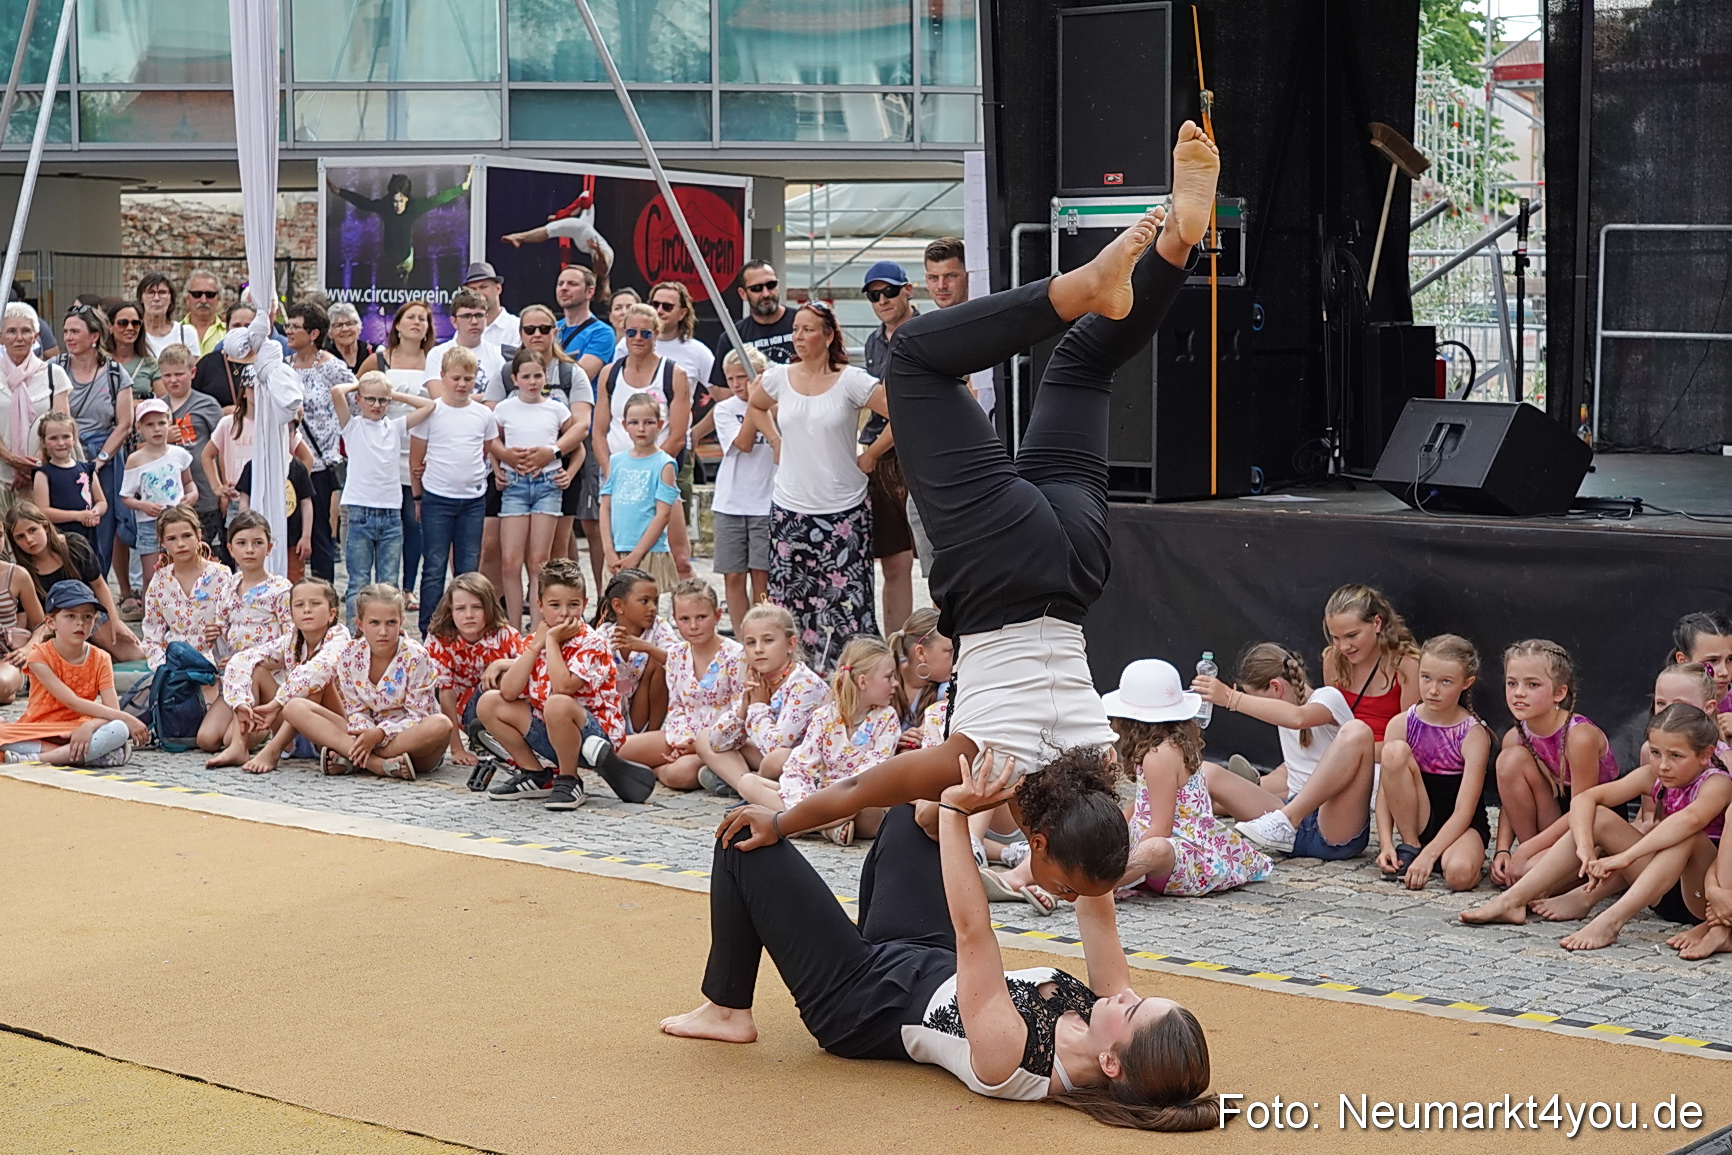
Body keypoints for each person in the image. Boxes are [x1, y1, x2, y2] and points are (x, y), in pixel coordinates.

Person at [715, 121, 1221, 901]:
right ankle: (1079, 287)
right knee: (915, 358)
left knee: (1083, 368)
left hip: (1079, 564)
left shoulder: (1098, 759)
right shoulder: (986, 761)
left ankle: (1180, 243)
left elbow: (1099, 862)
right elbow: (861, 792)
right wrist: (781, 824)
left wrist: (1030, 868)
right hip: (1000, 571)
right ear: (1038, 834)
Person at [661, 758, 1220, 1132]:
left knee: (746, 839)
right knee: (912, 810)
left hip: (860, 1000)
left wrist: (957, 814)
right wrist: (1096, 834)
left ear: (1110, 1064)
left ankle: (727, 1008)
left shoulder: (1013, 1057)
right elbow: (1095, 904)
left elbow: (974, 931)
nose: (1126, 996)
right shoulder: (1104, 1013)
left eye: (1134, 1009)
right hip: (920, 952)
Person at [1464, 703, 1731, 952]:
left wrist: (1625, 857)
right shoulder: (1654, 776)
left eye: (1676, 756)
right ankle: (1513, 900)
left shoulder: (1716, 783)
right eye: (1655, 752)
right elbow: (1586, 799)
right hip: (1658, 888)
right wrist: (1584, 848)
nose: (1663, 764)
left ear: (1705, 755)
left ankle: (1611, 922)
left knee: (1687, 836)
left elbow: (1689, 821)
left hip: (1702, 899)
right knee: (1598, 817)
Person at [750, 301, 885, 670]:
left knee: (848, 606)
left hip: (843, 510)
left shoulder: (852, 380)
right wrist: (776, 441)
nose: (799, 337)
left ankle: (854, 680)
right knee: (790, 606)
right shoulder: (779, 377)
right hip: (790, 508)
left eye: (808, 329)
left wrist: (871, 454)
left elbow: (900, 412)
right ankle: (793, 681)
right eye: (796, 330)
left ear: (828, 336)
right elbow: (755, 404)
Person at [476, 556, 652, 808]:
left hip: (592, 736)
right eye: (554, 605)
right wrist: (537, 644)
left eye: (573, 605)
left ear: (585, 604)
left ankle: (569, 779)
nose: (564, 613)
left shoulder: (591, 642)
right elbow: (509, 691)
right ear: (540, 605)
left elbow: (564, 687)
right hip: (550, 730)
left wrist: (551, 642)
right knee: (490, 702)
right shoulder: (537, 639)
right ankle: (536, 775)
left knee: (557, 703)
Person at [1091, 659, 1273, 902]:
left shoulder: (1160, 755)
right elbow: (1143, 805)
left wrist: (1129, 859)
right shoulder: (1162, 748)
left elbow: (1161, 830)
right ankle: (1041, 869)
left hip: (1183, 857)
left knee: (1154, 850)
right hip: (1168, 851)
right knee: (1092, 833)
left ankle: (1092, 887)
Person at [1190, 643, 1377, 860]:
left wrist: (1232, 699)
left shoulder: (1327, 697)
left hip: (1333, 830)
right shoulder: (1284, 709)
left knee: (1358, 731)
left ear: (1276, 687)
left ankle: (1287, 818)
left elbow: (1299, 718)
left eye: (1258, 699)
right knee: (1207, 771)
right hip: (1290, 833)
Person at [733, 634, 901, 846]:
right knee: (748, 782)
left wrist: (828, 803)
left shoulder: (887, 718)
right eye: (889, 677)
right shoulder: (825, 717)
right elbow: (800, 767)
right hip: (820, 798)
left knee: (867, 809)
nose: (895, 683)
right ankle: (822, 827)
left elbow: (872, 774)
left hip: (855, 801)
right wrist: (805, 801)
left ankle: (792, 825)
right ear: (862, 681)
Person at [280, 584, 451, 779]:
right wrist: (366, 734)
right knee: (294, 708)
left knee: (441, 724)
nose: (383, 631)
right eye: (375, 623)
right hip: (362, 733)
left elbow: (418, 716)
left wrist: (379, 734)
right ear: (360, 624)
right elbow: (355, 712)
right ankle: (374, 763)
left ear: (401, 622)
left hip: (408, 742)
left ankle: (355, 757)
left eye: (391, 623)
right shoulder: (350, 654)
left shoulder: (416, 656)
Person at [1492, 639, 1619, 887]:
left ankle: (1544, 863)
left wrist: (1527, 850)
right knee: (1509, 760)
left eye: (1532, 685)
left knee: (1530, 875)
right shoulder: (1514, 736)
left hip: (1590, 821)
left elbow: (1582, 807)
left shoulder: (1579, 736)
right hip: (1554, 815)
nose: (1518, 692)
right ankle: (1534, 861)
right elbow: (1508, 800)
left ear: (1559, 693)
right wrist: (1503, 850)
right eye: (1511, 683)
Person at [1374, 635, 1493, 892]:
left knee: (1459, 877)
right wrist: (1385, 844)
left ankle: (1443, 856)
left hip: (1462, 826)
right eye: (1426, 677)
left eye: (1446, 682)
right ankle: (1411, 846)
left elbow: (1464, 810)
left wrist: (1432, 856)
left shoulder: (1473, 734)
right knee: (1393, 752)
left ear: (1466, 683)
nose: (1433, 689)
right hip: (1420, 819)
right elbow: (1385, 791)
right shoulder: (1402, 723)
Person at [595, 302, 695, 579]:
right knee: (618, 554)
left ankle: (689, 618)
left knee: (680, 559)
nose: (638, 339)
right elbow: (599, 432)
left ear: (656, 333)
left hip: (659, 477)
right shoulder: (610, 373)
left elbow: (677, 434)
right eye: (631, 332)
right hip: (619, 476)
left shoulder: (674, 374)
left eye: (645, 333)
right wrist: (612, 472)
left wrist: (648, 471)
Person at [0, 580, 148, 767]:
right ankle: (88, 756)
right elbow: (71, 701)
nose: (80, 623)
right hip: (39, 729)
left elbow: (113, 710)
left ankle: (38, 759)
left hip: (79, 730)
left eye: (87, 617)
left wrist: (89, 726)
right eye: (70, 616)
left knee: (118, 729)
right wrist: (127, 718)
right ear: (50, 622)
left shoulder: (101, 658)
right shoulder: (39, 655)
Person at [216, 576, 349, 774]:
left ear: (331, 614)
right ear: (291, 613)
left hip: (330, 729)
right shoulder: (291, 640)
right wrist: (241, 703)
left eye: (315, 604)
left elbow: (316, 671)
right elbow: (242, 660)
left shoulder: (340, 638)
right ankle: (238, 745)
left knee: (316, 683)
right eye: (299, 605)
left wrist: (277, 703)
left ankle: (273, 750)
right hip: (289, 730)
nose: (306, 610)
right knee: (256, 669)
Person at [623, 579, 746, 790]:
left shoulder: (736, 656)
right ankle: (654, 765)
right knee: (618, 748)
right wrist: (683, 740)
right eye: (684, 619)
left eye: (701, 617)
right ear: (675, 620)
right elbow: (677, 706)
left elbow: (739, 711)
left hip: (719, 741)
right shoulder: (676, 654)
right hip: (681, 735)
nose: (693, 626)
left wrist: (696, 745)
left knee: (681, 773)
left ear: (717, 616)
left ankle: (655, 771)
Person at [331, 373, 434, 624]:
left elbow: (429, 406)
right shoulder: (353, 425)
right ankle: (357, 635)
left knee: (389, 583)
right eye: (370, 399)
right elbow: (336, 391)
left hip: (390, 514)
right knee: (358, 581)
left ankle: (390, 632)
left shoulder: (395, 426)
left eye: (382, 401)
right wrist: (362, 383)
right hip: (359, 512)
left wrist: (393, 394)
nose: (376, 405)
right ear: (359, 400)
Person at [697, 601, 827, 798]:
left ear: (791, 644)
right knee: (705, 738)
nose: (758, 649)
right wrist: (743, 709)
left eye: (767, 641)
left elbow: (776, 748)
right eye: (750, 643)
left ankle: (750, 787)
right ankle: (748, 786)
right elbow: (717, 743)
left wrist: (757, 706)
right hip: (769, 756)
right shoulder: (757, 678)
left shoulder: (804, 684)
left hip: (805, 761)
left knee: (776, 759)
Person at [412, 346, 498, 634]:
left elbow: (484, 451)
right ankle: (429, 630)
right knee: (434, 567)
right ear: (443, 376)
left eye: (468, 379)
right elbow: (416, 457)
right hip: (437, 498)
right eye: (456, 378)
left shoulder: (483, 415)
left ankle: (468, 630)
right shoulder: (432, 412)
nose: (462, 384)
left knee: (468, 569)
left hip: (472, 500)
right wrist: (418, 497)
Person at [489, 349, 576, 628]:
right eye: (525, 376)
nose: (532, 381)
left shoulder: (557, 409)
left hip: (548, 485)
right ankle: (514, 627)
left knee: (540, 560)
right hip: (514, 486)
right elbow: (492, 441)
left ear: (545, 377)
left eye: (537, 375)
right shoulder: (503, 409)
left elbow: (577, 446)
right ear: (515, 379)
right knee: (510, 561)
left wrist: (568, 473)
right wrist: (498, 467)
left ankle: (539, 629)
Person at [198, 511, 294, 761]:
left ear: (269, 547)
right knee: (206, 739)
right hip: (232, 676)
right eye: (242, 543)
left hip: (265, 675)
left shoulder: (280, 589)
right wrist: (213, 635)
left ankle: (262, 732)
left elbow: (291, 641)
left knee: (231, 738)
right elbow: (221, 639)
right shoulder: (228, 587)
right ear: (231, 548)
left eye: (257, 543)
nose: (249, 550)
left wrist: (249, 660)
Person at [359, 298, 436, 604]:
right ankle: (382, 585)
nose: (417, 322)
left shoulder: (434, 360)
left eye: (423, 319)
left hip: (420, 448)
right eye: (411, 317)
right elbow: (359, 397)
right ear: (399, 324)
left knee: (414, 520)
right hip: (383, 450)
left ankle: (408, 587)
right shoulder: (378, 360)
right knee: (386, 519)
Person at [509, 303, 595, 579]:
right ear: (520, 333)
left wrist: (553, 452)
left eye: (544, 329)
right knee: (513, 548)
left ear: (555, 332)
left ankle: (561, 607)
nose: (537, 334)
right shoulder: (507, 372)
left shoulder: (572, 373)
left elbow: (582, 424)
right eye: (530, 329)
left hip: (560, 467)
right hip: (517, 467)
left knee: (558, 545)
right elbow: (492, 421)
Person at [222, 296, 306, 577]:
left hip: (287, 516)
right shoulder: (233, 425)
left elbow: (305, 478)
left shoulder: (275, 364)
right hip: (251, 501)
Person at [858, 259, 919, 631]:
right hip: (880, 453)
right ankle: (898, 642)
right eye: (874, 295)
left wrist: (871, 453)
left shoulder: (929, 329)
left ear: (907, 290)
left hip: (913, 451)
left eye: (889, 291)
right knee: (893, 559)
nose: (882, 300)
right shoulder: (874, 340)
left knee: (930, 556)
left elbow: (909, 410)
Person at [5, 502, 144, 662]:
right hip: (53, 628)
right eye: (20, 537)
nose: (29, 540)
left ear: (45, 526)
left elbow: (99, 585)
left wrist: (115, 620)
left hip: (89, 615)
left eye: (32, 530)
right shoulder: (21, 571)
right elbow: (27, 617)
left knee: (135, 654)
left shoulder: (74, 545)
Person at [57, 304, 133, 574]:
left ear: (94, 336)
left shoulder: (114, 373)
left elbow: (124, 423)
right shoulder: (54, 369)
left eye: (75, 331)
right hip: (62, 457)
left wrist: (99, 461)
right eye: (65, 331)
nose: (68, 337)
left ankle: (97, 596)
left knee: (102, 528)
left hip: (105, 457)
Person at [283, 301, 353, 582]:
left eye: (295, 327)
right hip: (289, 461)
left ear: (313, 334)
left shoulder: (331, 368)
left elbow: (356, 400)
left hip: (320, 463)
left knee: (320, 532)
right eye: (288, 325)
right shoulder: (283, 366)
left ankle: (324, 591)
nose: (288, 331)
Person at [423, 572, 524, 767]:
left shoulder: (505, 635)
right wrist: (457, 748)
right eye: (461, 608)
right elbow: (446, 693)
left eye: (477, 607)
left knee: (509, 675)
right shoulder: (439, 640)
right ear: (450, 610)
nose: (469, 615)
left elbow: (532, 667)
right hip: (461, 711)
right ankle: (479, 735)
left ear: (489, 607)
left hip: (502, 704)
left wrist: (501, 664)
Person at [710, 346, 774, 633]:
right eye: (731, 378)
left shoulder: (778, 406)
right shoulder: (724, 409)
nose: (737, 385)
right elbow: (743, 444)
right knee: (733, 576)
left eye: (743, 377)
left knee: (762, 576)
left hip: (766, 502)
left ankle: (763, 630)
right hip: (731, 503)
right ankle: (740, 635)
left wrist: (763, 402)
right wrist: (756, 406)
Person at [1320, 583, 1420, 759]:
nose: (1343, 646)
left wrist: (1350, 753)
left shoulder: (1407, 665)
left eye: (1352, 635)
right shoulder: (1332, 660)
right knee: (1280, 775)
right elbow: (1332, 724)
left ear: (1377, 623)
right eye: (1335, 637)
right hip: (1338, 757)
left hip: (1381, 762)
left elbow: (1408, 742)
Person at [328, 169, 472, 286]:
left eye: (401, 202)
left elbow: (438, 199)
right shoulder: (385, 206)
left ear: (407, 198)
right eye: (394, 202)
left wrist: (462, 187)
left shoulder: (414, 207)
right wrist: (339, 191)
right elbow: (364, 203)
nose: (397, 206)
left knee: (404, 286)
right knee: (387, 288)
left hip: (406, 259)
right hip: (388, 258)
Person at [599, 392, 680, 593]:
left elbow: (663, 514)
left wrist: (637, 555)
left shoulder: (664, 464)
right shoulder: (616, 461)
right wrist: (608, 550)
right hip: (617, 550)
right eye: (634, 423)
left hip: (649, 551)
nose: (641, 429)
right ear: (625, 425)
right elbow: (605, 507)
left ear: (660, 425)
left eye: (648, 422)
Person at [1, 302, 71, 513]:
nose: (19, 337)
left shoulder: (54, 374)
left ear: (36, 335)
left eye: (25, 331)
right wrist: (12, 460)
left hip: (45, 477)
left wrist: (33, 467)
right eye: (11, 331)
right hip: (2, 475)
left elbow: (62, 426)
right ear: (1, 337)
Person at [119, 398, 197, 584]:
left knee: (182, 570)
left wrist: (193, 494)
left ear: (169, 423)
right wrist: (142, 505)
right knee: (151, 576)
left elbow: (189, 482)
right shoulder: (135, 460)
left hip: (179, 519)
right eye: (150, 424)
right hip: (149, 523)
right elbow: (125, 496)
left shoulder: (179, 454)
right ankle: (150, 612)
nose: (157, 429)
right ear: (140, 428)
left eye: (162, 423)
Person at [592, 567, 677, 735]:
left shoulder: (659, 627)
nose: (652, 608)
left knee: (660, 660)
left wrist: (646, 647)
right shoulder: (603, 634)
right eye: (644, 601)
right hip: (609, 714)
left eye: (655, 601)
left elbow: (679, 661)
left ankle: (652, 737)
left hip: (641, 716)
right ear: (618, 606)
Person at [158, 344, 226, 549]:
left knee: (206, 552)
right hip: (169, 498)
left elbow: (221, 449)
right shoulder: (157, 409)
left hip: (205, 496)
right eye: (167, 375)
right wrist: (164, 439)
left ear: (193, 372)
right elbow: (140, 448)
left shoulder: (208, 405)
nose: (173, 380)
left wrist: (222, 491)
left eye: (179, 374)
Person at [707, 260, 796, 391]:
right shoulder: (733, 337)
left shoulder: (803, 322)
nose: (766, 294)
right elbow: (722, 390)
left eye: (771, 285)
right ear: (743, 294)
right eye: (756, 288)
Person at [234, 451, 314, 584]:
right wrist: (246, 529)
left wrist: (306, 536)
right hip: (257, 539)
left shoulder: (298, 468)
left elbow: (306, 503)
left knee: (293, 582)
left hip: (292, 540)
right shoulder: (253, 466)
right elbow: (244, 500)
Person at [33, 411, 105, 554]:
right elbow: (43, 511)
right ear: (43, 442)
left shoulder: (87, 469)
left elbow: (101, 501)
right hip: (61, 538)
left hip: (88, 534)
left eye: (66, 437)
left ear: (74, 438)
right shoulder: (43, 474)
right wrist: (77, 516)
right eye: (53, 438)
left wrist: (94, 513)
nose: (60, 443)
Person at [502, 186, 616, 269]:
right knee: (586, 199)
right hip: (586, 236)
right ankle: (561, 217)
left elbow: (602, 262)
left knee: (551, 229)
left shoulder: (604, 260)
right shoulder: (605, 259)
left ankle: (519, 237)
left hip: (584, 234)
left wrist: (596, 249)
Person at [425, 288, 506, 404]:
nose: (474, 321)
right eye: (467, 316)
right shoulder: (438, 354)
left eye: (479, 315)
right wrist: (485, 397)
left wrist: (458, 397)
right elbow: (438, 397)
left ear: (486, 318)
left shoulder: (497, 354)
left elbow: (502, 397)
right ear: (454, 321)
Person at [1671, 611, 1732, 733]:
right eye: (1712, 660)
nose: (1724, 672)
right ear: (1683, 660)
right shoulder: (1668, 706)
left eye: (1730, 659)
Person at [191, 301, 257, 409]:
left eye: (248, 326)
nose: (242, 330)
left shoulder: (268, 364)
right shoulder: (208, 364)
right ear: (227, 328)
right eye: (236, 325)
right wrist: (220, 413)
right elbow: (194, 405)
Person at [107, 300, 161, 400]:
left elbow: (164, 401)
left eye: (136, 323)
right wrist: (130, 406)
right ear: (110, 327)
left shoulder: (150, 363)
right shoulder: (99, 362)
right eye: (123, 323)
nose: (130, 328)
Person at [135, 272, 198, 358]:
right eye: (150, 292)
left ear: (171, 299)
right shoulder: (134, 332)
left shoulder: (186, 333)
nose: (156, 298)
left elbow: (194, 368)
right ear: (141, 298)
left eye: (162, 292)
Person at [462, 261, 520, 347]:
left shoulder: (516, 327)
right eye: (473, 289)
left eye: (483, 287)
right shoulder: (465, 329)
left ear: (498, 288)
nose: (478, 293)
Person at [181, 270, 229, 355]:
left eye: (209, 294)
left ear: (218, 298)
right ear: (187, 298)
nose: (203, 300)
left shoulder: (228, 333)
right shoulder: (176, 331)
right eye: (197, 294)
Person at [324, 302, 374, 375]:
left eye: (350, 324)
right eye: (338, 325)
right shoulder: (325, 358)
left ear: (358, 327)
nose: (345, 329)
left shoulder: (373, 352)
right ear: (330, 333)